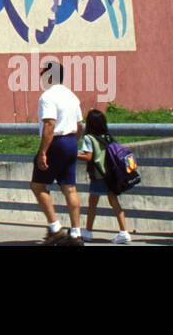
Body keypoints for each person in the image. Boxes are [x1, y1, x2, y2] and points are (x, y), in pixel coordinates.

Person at [31, 60, 84, 244]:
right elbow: (79, 125)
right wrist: (72, 143)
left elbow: (49, 124)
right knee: (69, 188)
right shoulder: (72, 96)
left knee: (37, 186)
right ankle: (76, 233)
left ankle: (55, 228)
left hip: (56, 141)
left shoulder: (47, 97)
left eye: (44, 75)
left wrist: (43, 152)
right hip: (71, 141)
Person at [78, 108, 130, 243]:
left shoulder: (88, 138)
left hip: (98, 175)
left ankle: (88, 231)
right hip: (110, 174)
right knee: (114, 202)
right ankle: (124, 231)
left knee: (92, 204)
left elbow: (88, 156)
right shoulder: (107, 137)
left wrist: (73, 154)